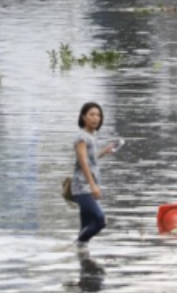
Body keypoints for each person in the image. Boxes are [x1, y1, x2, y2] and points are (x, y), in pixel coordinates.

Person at [70, 102, 118, 250]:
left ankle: (82, 258)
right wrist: (92, 185)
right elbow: (83, 161)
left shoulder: (91, 136)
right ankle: (75, 246)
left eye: (98, 115)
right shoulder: (81, 137)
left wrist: (103, 152)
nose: (96, 118)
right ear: (83, 117)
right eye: (91, 115)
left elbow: (90, 160)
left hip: (88, 186)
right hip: (82, 187)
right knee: (100, 220)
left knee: (85, 227)